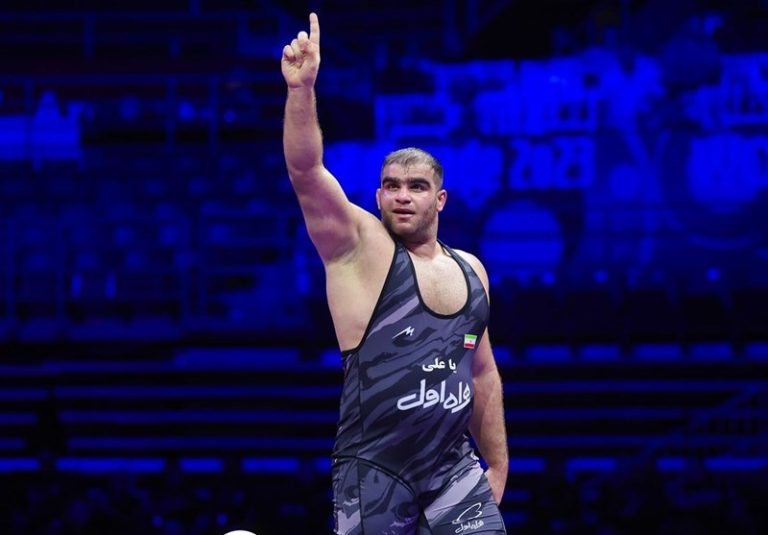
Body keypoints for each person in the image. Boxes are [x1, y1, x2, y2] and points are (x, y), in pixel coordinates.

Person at [281, 13, 508, 535]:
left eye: (416, 186)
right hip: (375, 470)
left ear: (440, 199)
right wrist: (301, 90)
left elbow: (482, 374)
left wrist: (496, 466)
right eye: (391, 186)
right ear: (378, 195)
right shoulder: (358, 248)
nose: (402, 196)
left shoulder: (471, 270)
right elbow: (307, 173)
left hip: (453, 470)